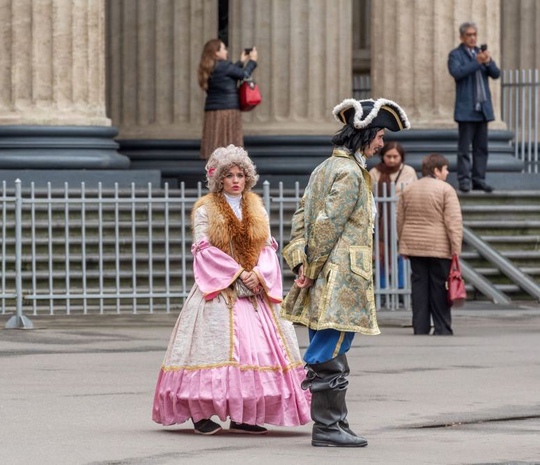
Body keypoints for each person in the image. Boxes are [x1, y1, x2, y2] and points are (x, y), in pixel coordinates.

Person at [152, 145, 311, 435]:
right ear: (219, 179)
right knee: (211, 350)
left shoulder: (256, 206)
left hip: (253, 291)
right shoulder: (206, 209)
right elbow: (204, 250)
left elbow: (267, 246)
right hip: (220, 290)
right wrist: (237, 274)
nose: (236, 180)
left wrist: (258, 275)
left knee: (256, 353)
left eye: (240, 174)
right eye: (229, 175)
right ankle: (200, 414)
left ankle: (243, 415)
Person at [281, 98, 410, 447]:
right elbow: (325, 226)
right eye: (379, 135)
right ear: (364, 135)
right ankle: (326, 428)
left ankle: (336, 423)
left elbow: (300, 219)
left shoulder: (324, 168)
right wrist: (310, 267)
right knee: (329, 349)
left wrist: (300, 262)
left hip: (326, 273)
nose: (382, 143)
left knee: (333, 346)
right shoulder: (352, 173)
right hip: (338, 277)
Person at [397, 154, 463, 336]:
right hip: (439, 247)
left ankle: (420, 326)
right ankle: (442, 327)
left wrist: (403, 244)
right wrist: (455, 248)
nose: (447, 172)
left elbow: (400, 219)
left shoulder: (409, 189)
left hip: (414, 245)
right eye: (445, 169)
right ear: (436, 170)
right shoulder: (446, 190)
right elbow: (453, 222)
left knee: (419, 287)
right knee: (440, 287)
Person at [448, 21, 500, 193]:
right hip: (466, 110)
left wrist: (488, 61)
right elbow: (457, 73)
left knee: (481, 148)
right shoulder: (455, 55)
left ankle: (479, 179)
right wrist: (477, 62)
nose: (472, 38)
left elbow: (496, 74)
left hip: (482, 109)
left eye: (475, 34)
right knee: (464, 149)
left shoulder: (480, 53)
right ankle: (464, 180)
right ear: (462, 37)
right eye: (469, 35)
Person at [197, 39, 258, 159]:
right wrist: (252, 61)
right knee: (230, 145)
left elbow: (231, 73)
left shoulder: (210, 67)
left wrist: (241, 61)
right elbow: (244, 75)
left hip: (212, 111)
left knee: (215, 144)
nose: (226, 51)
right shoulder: (224, 66)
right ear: (216, 52)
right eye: (223, 48)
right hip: (228, 110)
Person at [369, 142, 417, 290]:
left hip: (402, 218)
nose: (391, 160)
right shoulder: (374, 172)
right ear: (382, 156)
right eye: (388, 156)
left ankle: (401, 286)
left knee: (402, 254)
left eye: (395, 156)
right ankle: (383, 287)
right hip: (380, 220)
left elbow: (412, 193)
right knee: (382, 254)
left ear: (401, 157)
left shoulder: (408, 171)